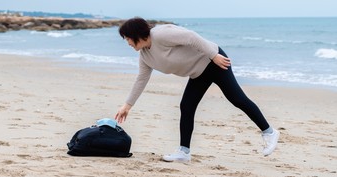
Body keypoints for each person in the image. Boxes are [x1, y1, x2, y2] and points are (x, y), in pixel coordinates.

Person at [115, 17, 279, 162]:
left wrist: (214, 55)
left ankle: (269, 132)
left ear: (137, 35)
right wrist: (127, 105)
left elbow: (191, 37)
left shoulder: (160, 35)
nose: (128, 43)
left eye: (128, 38)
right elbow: (142, 79)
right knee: (186, 106)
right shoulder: (145, 56)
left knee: (236, 98)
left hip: (213, 61)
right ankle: (184, 152)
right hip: (198, 73)